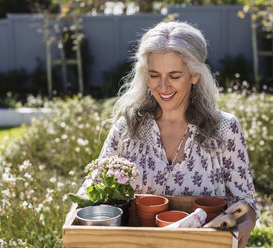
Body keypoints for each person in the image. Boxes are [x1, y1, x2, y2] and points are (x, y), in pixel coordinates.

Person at [99, 21, 259, 248]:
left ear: (194, 75)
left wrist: (246, 222)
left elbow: (245, 201)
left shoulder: (224, 128)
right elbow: (94, 190)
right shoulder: (126, 129)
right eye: (154, 75)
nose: (163, 87)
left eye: (174, 76)